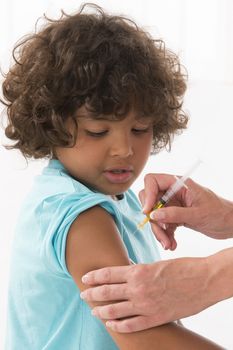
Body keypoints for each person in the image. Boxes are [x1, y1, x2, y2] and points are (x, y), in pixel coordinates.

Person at [1, 3, 223, 349]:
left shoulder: (120, 200)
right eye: (98, 131)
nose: (124, 149)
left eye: (139, 128)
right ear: (52, 125)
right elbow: (143, 339)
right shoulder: (80, 217)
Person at [81, 174, 233, 333]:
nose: (124, 151)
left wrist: (210, 276)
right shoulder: (86, 209)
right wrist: (228, 216)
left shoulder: (119, 199)